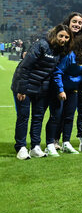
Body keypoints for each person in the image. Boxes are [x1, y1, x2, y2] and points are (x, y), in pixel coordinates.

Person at [12, 24, 72, 159]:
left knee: (38, 117)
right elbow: (25, 67)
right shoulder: (42, 45)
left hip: (41, 88)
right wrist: (22, 89)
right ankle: (21, 147)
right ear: (55, 35)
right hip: (24, 86)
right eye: (61, 36)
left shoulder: (60, 51)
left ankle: (35, 147)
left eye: (67, 37)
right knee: (23, 116)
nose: (63, 39)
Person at [51, 33, 82, 155]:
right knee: (56, 116)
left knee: (69, 117)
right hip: (61, 90)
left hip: (73, 91)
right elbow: (58, 71)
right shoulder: (71, 55)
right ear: (81, 43)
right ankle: (50, 143)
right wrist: (60, 89)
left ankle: (66, 142)